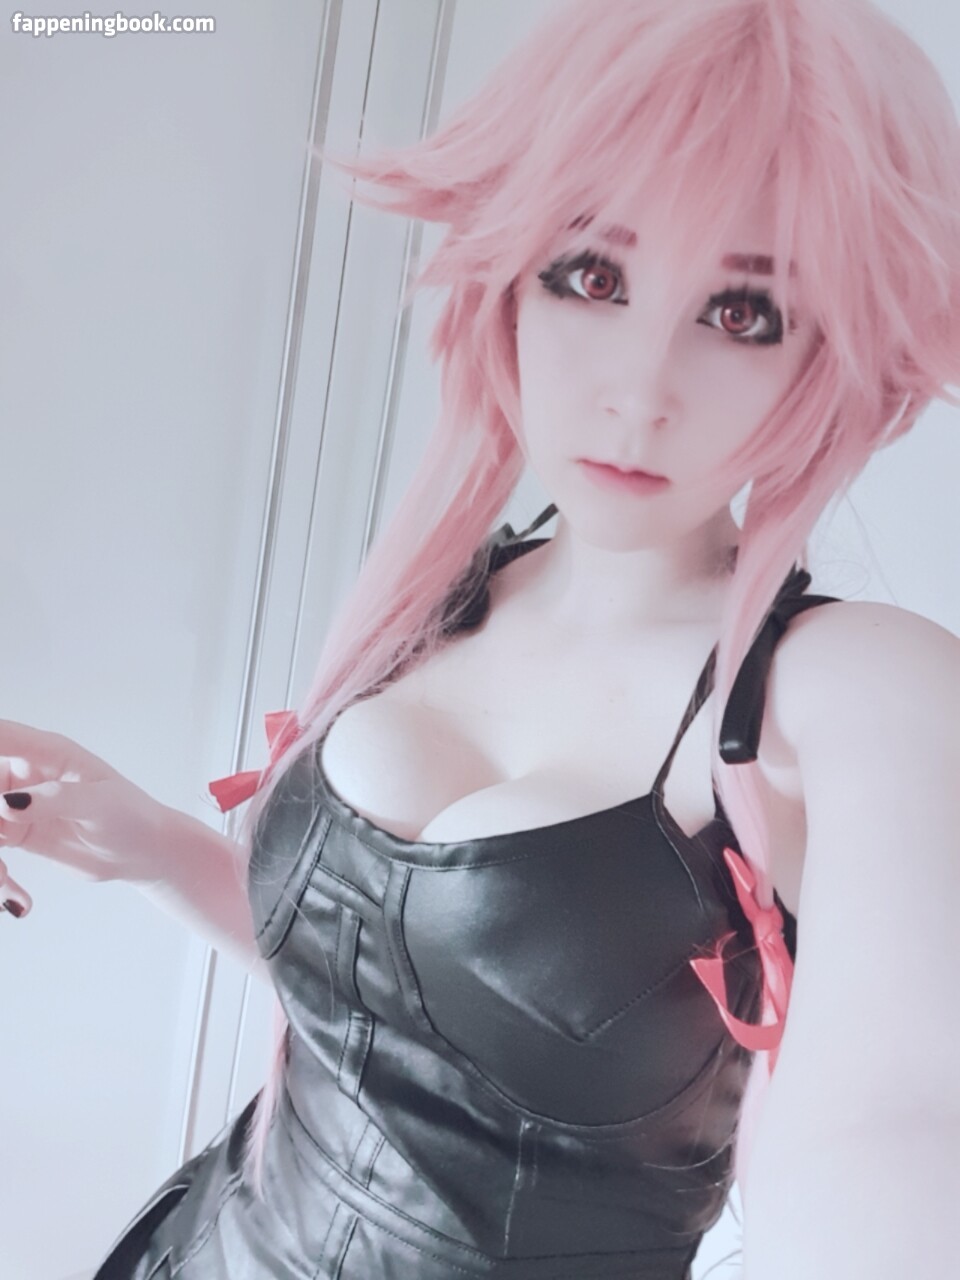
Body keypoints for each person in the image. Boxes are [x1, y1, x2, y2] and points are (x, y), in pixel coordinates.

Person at [2, 0, 959, 1275]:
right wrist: (151, 844)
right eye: (594, 277)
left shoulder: (854, 690)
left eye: (742, 313)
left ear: (833, 352)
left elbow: (897, 1133)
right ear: (510, 283)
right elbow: (397, 1024)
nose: (639, 389)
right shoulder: (442, 597)